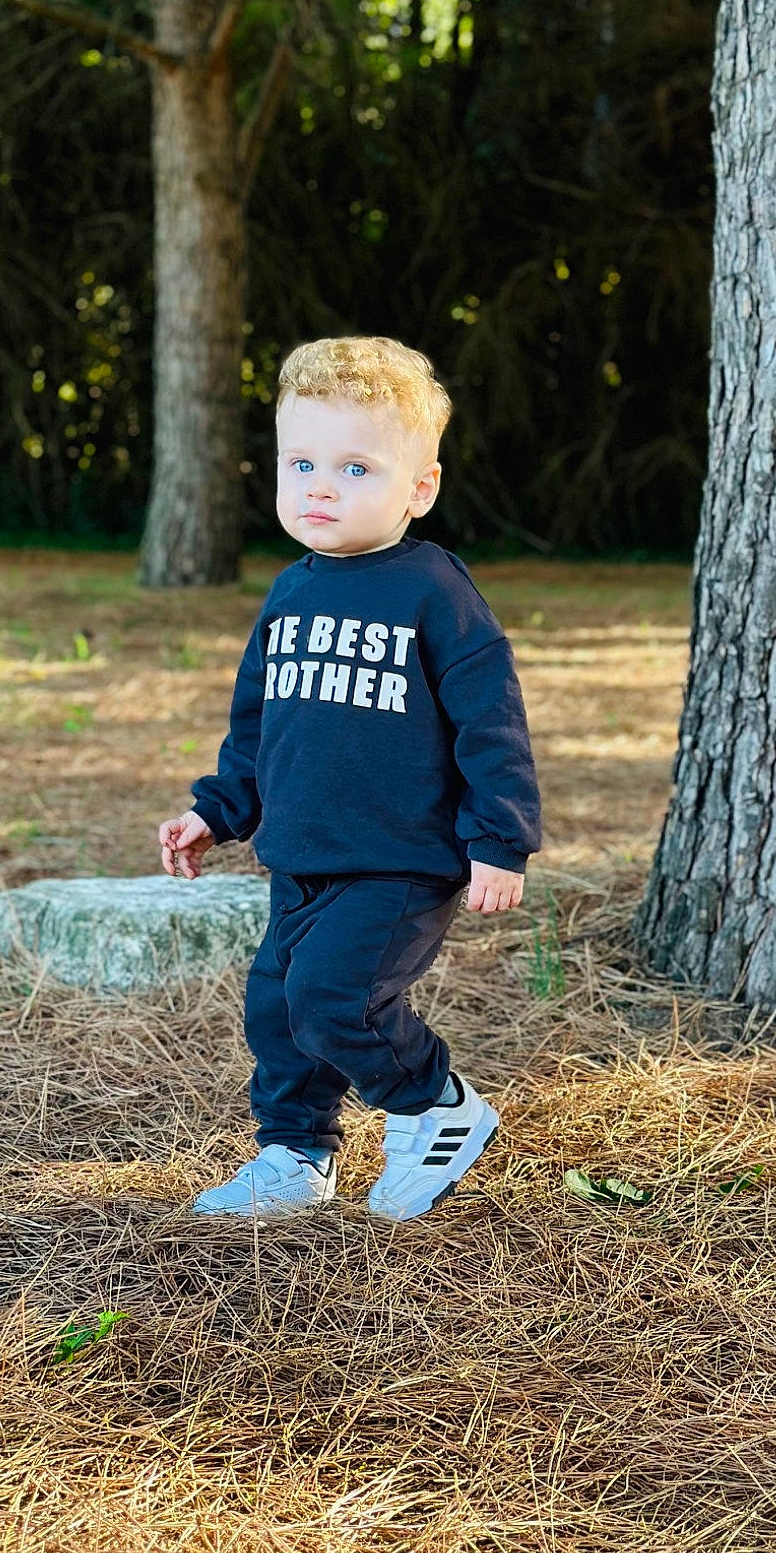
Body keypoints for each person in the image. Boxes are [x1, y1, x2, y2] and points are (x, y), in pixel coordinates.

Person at [157, 336, 541, 1223]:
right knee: (278, 1015)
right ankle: (295, 1157)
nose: (321, 486)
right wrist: (215, 811)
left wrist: (499, 840)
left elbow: (492, 721)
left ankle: (435, 1108)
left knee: (333, 1000)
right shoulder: (290, 591)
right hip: (301, 857)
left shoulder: (433, 590)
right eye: (302, 462)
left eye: (356, 467)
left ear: (420, 488)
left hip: (399, 860)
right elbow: (261, 724)